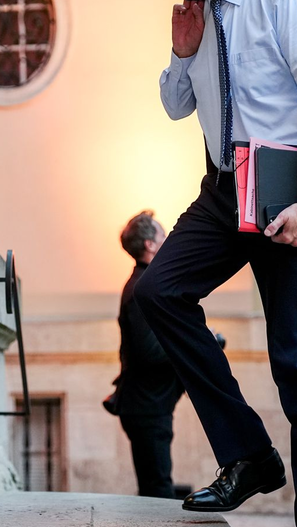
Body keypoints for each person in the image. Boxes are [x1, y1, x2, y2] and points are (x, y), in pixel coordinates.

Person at [132, 0, 297, 527]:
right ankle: (249, 457)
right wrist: (182, 50)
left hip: (293, 186)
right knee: (159, 293)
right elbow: (179, 107)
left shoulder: (285, 3)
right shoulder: (194, 14)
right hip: (227, 186)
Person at [111, 211, 184, 499]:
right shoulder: (141, 289)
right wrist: (191, 345)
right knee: (157, 491)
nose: (167, 240)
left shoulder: (146, 284)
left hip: (148, 405)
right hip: (146, 408)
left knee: (156, 487)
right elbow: (147, 351)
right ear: (150, 245)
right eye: (163, 235)